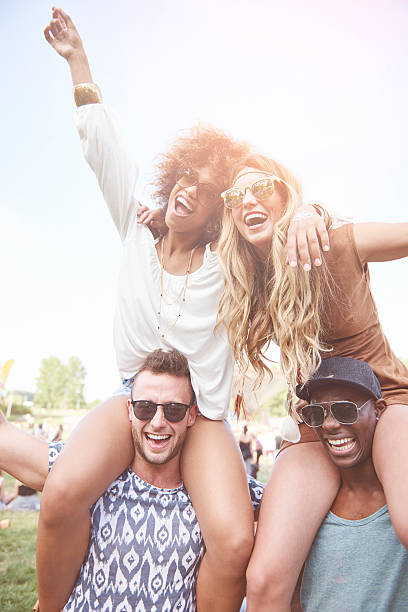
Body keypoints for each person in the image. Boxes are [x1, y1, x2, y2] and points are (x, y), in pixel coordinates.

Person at [40, 8, 324, 611]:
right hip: (132, 397)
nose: (185, 189)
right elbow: (105, 151)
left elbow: (269, 207)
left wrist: (301, 210)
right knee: (62, 490)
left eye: (202, 190)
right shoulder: (134, 232)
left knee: (231, 537)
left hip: (202, 414)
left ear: (217, 215)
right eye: (183, 177)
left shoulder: (229, 268)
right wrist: (77, 61)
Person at [216, 154, 408, 610]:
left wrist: (313, 210)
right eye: (235, 196)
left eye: (260, 187)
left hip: (386, 403)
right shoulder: (251, 280)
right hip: (315, 422)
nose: (247, 201)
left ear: (285, 193)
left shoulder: (334, 241)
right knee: (263, 581)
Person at [0, 349, 263, 610]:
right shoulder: (91, 472)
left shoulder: (213, 492)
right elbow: (10, 444)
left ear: (192, 415)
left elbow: (288, 507)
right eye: (145, 408)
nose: (158, 422)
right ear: (129, 410)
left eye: (173, 410)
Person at [294, 356, 408, 611]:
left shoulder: (399, 505)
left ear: (378, 410)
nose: (330, 424)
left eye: (345, 410)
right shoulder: (306, 508)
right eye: (316, 413)